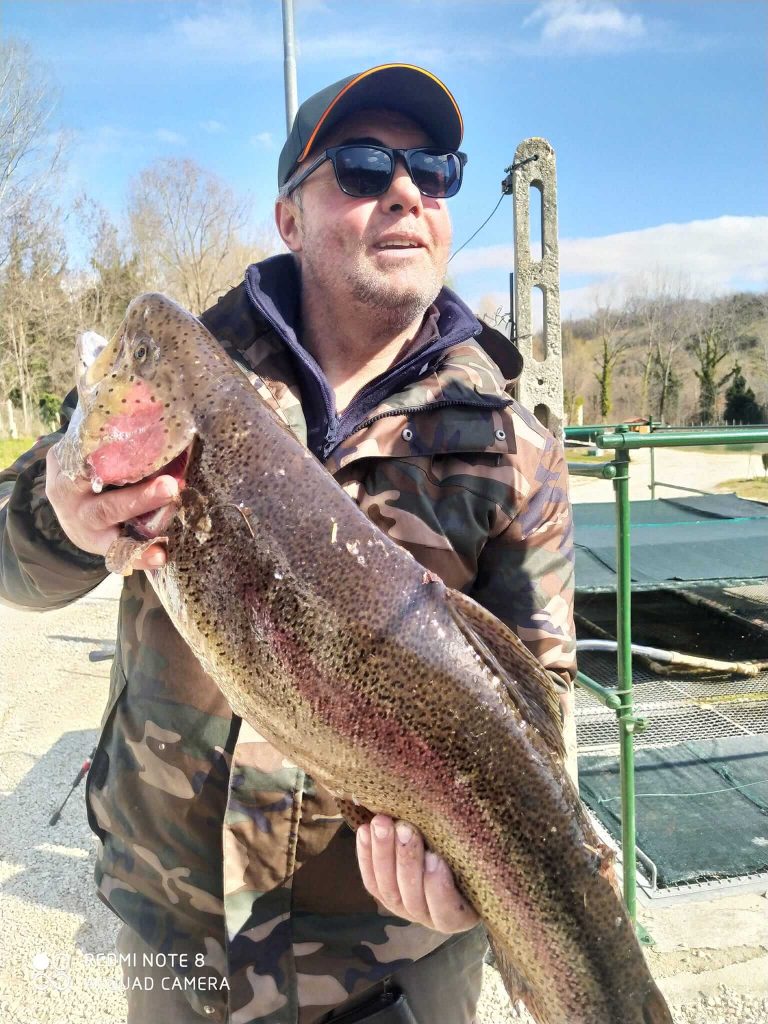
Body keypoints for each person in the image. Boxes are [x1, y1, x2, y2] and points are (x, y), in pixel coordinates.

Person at [0, 65, 576, 1024]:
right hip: (179, 935)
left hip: (399, 959)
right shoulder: (176, 379)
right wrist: (62, 516)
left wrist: (468, 883)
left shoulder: (516, 447)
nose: (404, 190)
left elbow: (537, 706)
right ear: (288, 218)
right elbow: (10, 563)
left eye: (433, 170)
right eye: (359, 167)